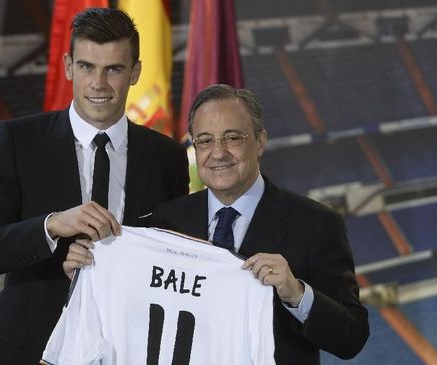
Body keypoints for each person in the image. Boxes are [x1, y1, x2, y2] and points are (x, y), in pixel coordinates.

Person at [0, 8, 189, 365]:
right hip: (26, 348)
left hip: (127, 349)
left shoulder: (167, 157)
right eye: (86, 67)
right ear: (68, 66)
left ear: (135, 73)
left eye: (113, 68)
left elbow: (173, 259)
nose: (98, 83)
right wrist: (51, 227)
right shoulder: (17, 141)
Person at [150, 84, 369, 363]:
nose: (218, 153)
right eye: (205, 141)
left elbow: (352, 337)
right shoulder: (167, 220)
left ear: (260, 141)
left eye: (232, 138)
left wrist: (297, 294)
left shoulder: (317, 224)